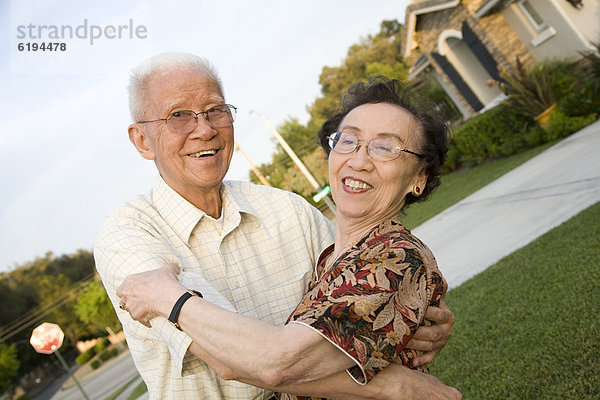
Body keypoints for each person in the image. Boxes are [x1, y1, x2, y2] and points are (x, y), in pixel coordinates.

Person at [95, 52, 459, 400]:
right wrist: (394, 386)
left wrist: (414, 321)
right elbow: (228, 357)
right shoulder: (127, 236)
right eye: (178, 115)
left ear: (420, 177)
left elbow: (358, 309)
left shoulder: (289, 210)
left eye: (215, 110)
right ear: (142, 140)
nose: (204, 130)